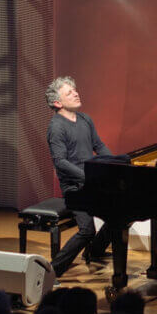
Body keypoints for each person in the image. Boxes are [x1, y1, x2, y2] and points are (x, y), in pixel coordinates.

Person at [45, 76, 113, 277]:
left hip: (92, 182)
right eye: (69, 92)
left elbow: (98, 145)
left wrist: (115, 164)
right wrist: (87, 176)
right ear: (58, 103)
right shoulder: (56, 127)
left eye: (75, 90)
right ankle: (51, 271)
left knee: (121, 215)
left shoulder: (85, 119)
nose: (76, 93)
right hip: (75, 188)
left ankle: (95, 251)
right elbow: (60, 162)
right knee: (87, 231)